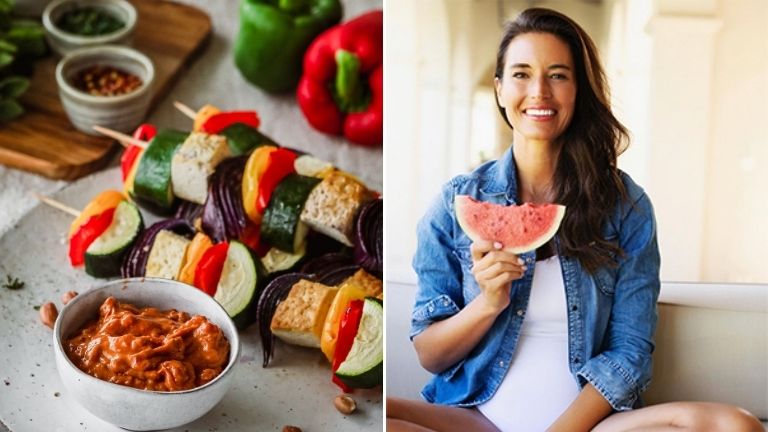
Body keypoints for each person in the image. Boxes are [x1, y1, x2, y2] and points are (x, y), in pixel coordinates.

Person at [386, 7, 763, 432]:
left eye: (559, 75)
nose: (539, 92)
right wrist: (489, 302)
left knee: (736, 424)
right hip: (475, 418)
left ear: (579, 89)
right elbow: (430, 355)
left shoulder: (627, 206)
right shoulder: (457, 201)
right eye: (522, 74)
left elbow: (630, 353)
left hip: (586, 427)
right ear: (499, 89)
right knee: (379, 418)